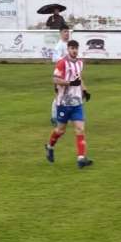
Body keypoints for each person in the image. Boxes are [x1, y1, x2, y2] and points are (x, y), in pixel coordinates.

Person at [44, 39, 93, 168]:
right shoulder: (62, 63)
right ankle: (49, 146)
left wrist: (85, 90)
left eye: (76, 48)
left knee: (80, 129)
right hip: (64, 103)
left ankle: (81, 158)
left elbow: (79, 77)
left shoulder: (80, 63)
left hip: (77, 102)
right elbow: (55, 79)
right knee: (60, 130)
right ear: (68, 49)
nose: (74, 50)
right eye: (72, 48)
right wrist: (70, 83)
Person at [49, 28, 71, 125]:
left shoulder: (69, 44)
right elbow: (54, 58)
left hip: (68, 73)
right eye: (65, 32)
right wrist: (65, 59)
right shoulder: (59, 46)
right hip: (60, 74)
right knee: (60, 95)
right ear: (61, 33)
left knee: (67, 95)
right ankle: (54, 117)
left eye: (68, 31)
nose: (67, 33)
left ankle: (64, 115)